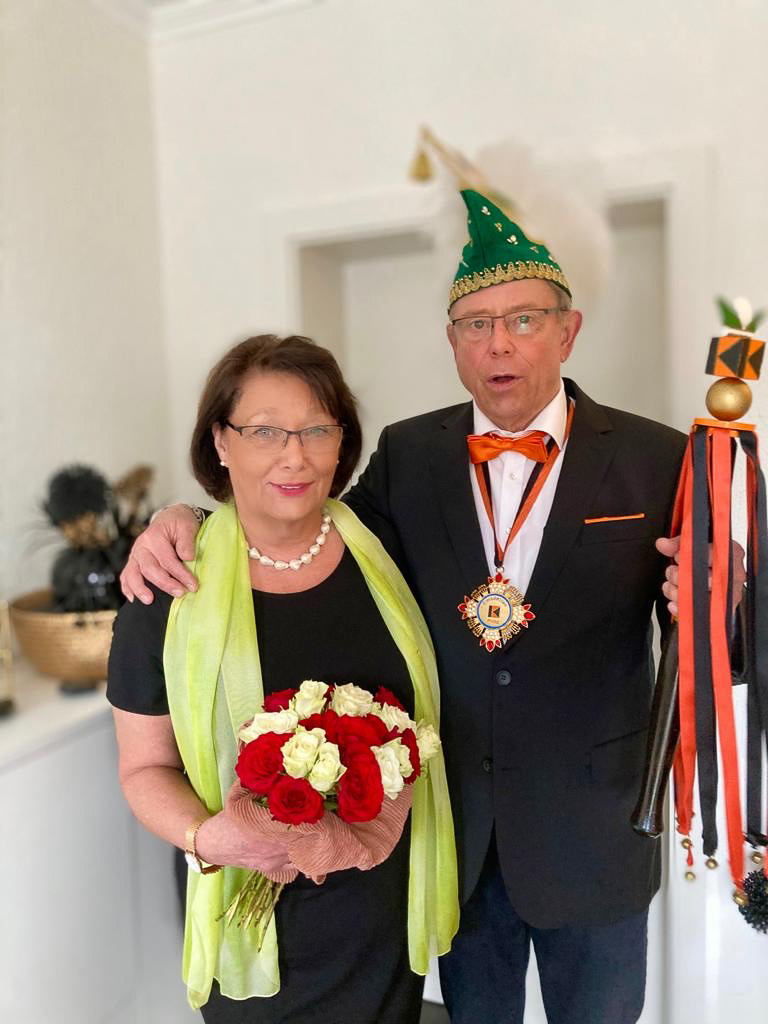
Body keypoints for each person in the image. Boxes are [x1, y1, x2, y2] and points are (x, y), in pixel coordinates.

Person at [120, 191, 741, 1024]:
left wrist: (728, 597)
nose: (498, 344)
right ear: (452, 342)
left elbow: (719, 643)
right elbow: (300, 521)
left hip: (593, 833)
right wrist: (186, 519)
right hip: (452, 838)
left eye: (524, 320)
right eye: (476, 324)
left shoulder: (659, 457)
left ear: (568, 331)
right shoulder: (410, 453)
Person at [107, 334, 458, 1022]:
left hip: (379, 906)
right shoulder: (168, 591)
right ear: (220, 441)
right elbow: (143, 769)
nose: (294, 456)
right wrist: (210, 838)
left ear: (341, 442)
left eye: (317, 430)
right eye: (265, 431)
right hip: (248, 903)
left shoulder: (389, 548)